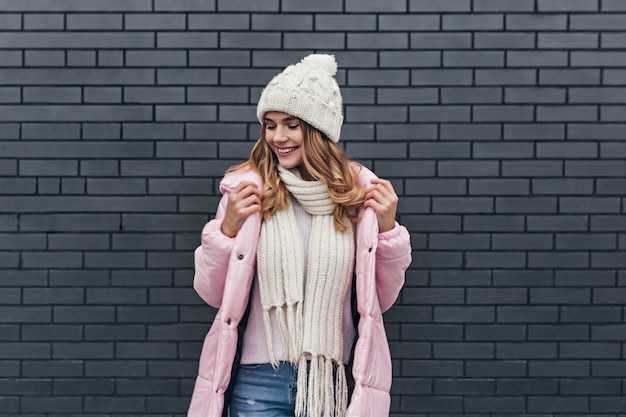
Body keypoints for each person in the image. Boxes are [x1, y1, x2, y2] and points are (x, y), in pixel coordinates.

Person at [187, 54, 412, 417]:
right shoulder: (247, 194)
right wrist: (226, 230)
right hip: (258, 379)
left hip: (327, 383)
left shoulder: (356, 198)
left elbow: (379, 300)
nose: (278, 137)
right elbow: (211, 293)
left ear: (318, 129)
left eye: (291, 124)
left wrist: (387, 228)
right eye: (270, 125)